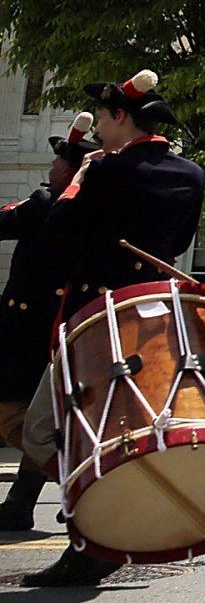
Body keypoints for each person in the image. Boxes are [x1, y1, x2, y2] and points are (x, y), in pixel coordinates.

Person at [19, 69, 205, 586]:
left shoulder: (103, 172)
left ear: (121, 117)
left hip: (94, 318)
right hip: (150, 319)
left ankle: (97, 527)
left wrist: (82, 176)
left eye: (103, 118)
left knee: (45, 431)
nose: (99, 129)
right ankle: (100, 529)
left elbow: (58, 230)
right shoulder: (191, 175)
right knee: (115, 432)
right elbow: (179, 240)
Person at [0, 113, 89, 532]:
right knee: (42, 417)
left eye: (57, 164)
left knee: (13, 416)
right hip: (58, 332)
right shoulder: (92, 214)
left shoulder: (43, 203)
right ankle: (19, 503)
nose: (50, 168)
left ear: (68, 171)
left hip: (23, 332)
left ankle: (75, 478)